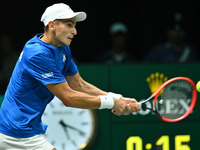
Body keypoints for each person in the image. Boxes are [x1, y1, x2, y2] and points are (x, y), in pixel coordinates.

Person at [0, 3, 140, 150]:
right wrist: (110, 103)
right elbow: (68, 98)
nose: (74, 31)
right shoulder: (37, 53)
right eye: (69, 25)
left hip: (22, 129)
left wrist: (116, 97)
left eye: (74, 25)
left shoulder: (62, 48)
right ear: (52, 25)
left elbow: (78, 84)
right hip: (16, 133)